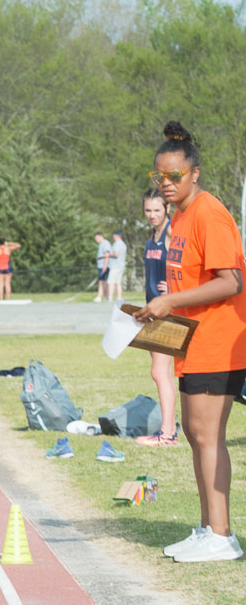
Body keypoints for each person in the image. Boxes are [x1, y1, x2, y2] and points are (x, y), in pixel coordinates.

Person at [133, 121, 246, 562]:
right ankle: (206, 528)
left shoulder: (210, 212)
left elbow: (231, 281)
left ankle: (222, 534)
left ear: (194, 173)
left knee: (206, 435)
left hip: (219, 342)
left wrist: (172, 300)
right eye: (158, 176)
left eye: (174, 176)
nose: (165, 184)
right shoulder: (178, 217)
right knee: (199, 437)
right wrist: (156, 311)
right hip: (191, 341)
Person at [136, 188, 179, 447]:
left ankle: (168, 434)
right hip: (152, 310)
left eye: (157, 210)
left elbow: (183, 266)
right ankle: (168, 429)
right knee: (161, 372)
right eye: (148, 210)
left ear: (167, 209)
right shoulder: (151, 237)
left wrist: (173, 291)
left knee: (159, 371)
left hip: (167, 312)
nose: (152, 215)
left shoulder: (171, 233)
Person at [94, 232, 113, 302]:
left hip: (104, 265)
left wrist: (105, 266)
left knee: (101, 282)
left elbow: (107, 254)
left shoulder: (105, 243)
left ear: (101, 236)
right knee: (104, 281)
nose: (96, 240)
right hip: (101, 265)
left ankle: (99, 296)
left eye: (97, 238)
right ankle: (106, 296)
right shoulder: (101, 244)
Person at [109, 231, 127, 303]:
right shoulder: (123, 244)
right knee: (118, 282)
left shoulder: (117, 244)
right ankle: (119, 297)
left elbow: (116, 254)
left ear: (116, 236)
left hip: (115, 266)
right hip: (121, 265)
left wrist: (109, 254)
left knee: (111, 282)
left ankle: (110, 297)